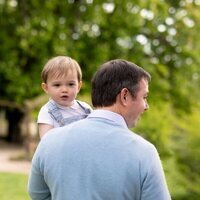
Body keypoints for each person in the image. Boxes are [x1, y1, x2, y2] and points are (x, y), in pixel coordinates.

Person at [28, 59, 171, 200]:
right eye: (144, 97)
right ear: (125, 96)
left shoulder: (49, 141)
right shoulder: (145, 153)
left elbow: (38, 194)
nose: (146, 106)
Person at [37, 56, 92, 138]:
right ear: (46, 88)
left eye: (71, 84)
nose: (64, 90)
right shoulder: (47, 112)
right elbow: (46, 143)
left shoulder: (85, 109)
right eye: (57, 85)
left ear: (79, 86)